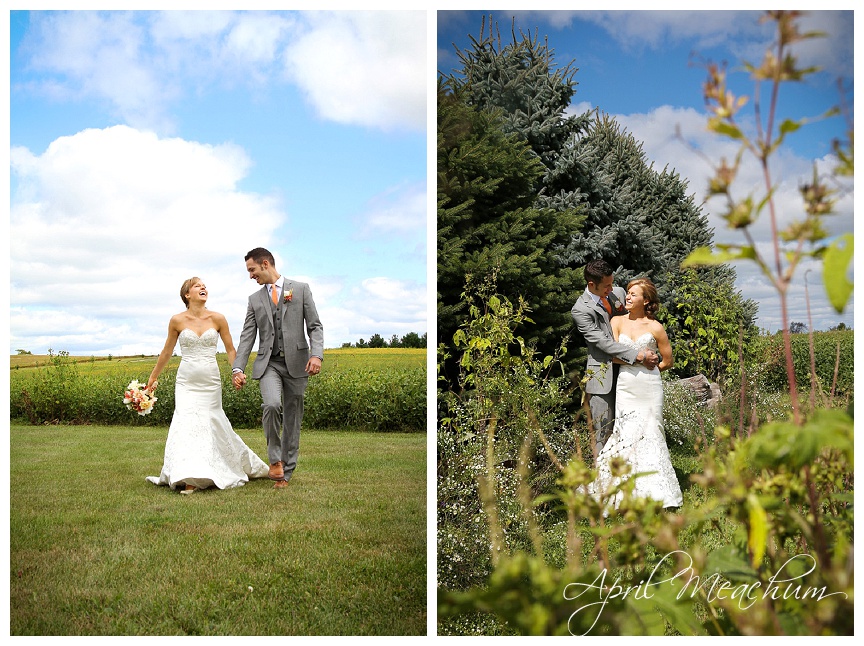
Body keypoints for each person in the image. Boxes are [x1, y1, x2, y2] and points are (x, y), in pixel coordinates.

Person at [146, 277, 269, 494]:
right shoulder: (176, 320)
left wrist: (236, 371)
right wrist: (153, 378)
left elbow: (231, 350)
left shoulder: (218, 318)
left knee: (211, 422)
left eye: (204, 286)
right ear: (187, 295)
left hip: (210, 382)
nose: (203, 288)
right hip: (186, 382)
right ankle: (189, 476)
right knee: (187, 423)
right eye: (197, 286)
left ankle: (216, 469)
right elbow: (166, 352)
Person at [232, 247, 324, 489]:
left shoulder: (301, 289)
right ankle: (275, 461)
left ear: (265, 264)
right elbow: (247, 337)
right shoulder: (254, 300)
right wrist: (237, 368)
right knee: (272, 405)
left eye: (252, 270)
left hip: (297, 363)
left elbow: (315, 326)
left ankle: (286, 472)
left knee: (293, 418)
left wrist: (317, 355)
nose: (250, 275)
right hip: (268, 364)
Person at [593, 277, 683, 510]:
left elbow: (668, 361)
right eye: (629, 293)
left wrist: (650, 372)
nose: (628, 297)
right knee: (626, 432)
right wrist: (637, 361)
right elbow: (611, 355)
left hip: (649, 387)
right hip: (626, 385)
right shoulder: (617, 322)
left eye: (634, 294)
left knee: (652, 431)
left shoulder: (656, 327)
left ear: (646, 300)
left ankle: (657, 492)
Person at [571, 260, 659, 455]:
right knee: (604, 430)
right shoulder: (580, 310)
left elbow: (634, 320)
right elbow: (603, 343)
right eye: (607, 286)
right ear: (592, 285)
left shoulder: (617, 293)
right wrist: (638, 354)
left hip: (629, 376)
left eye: (612, 283)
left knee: (632, 425)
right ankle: (602, 479)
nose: (612, 289)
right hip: (603, 377)